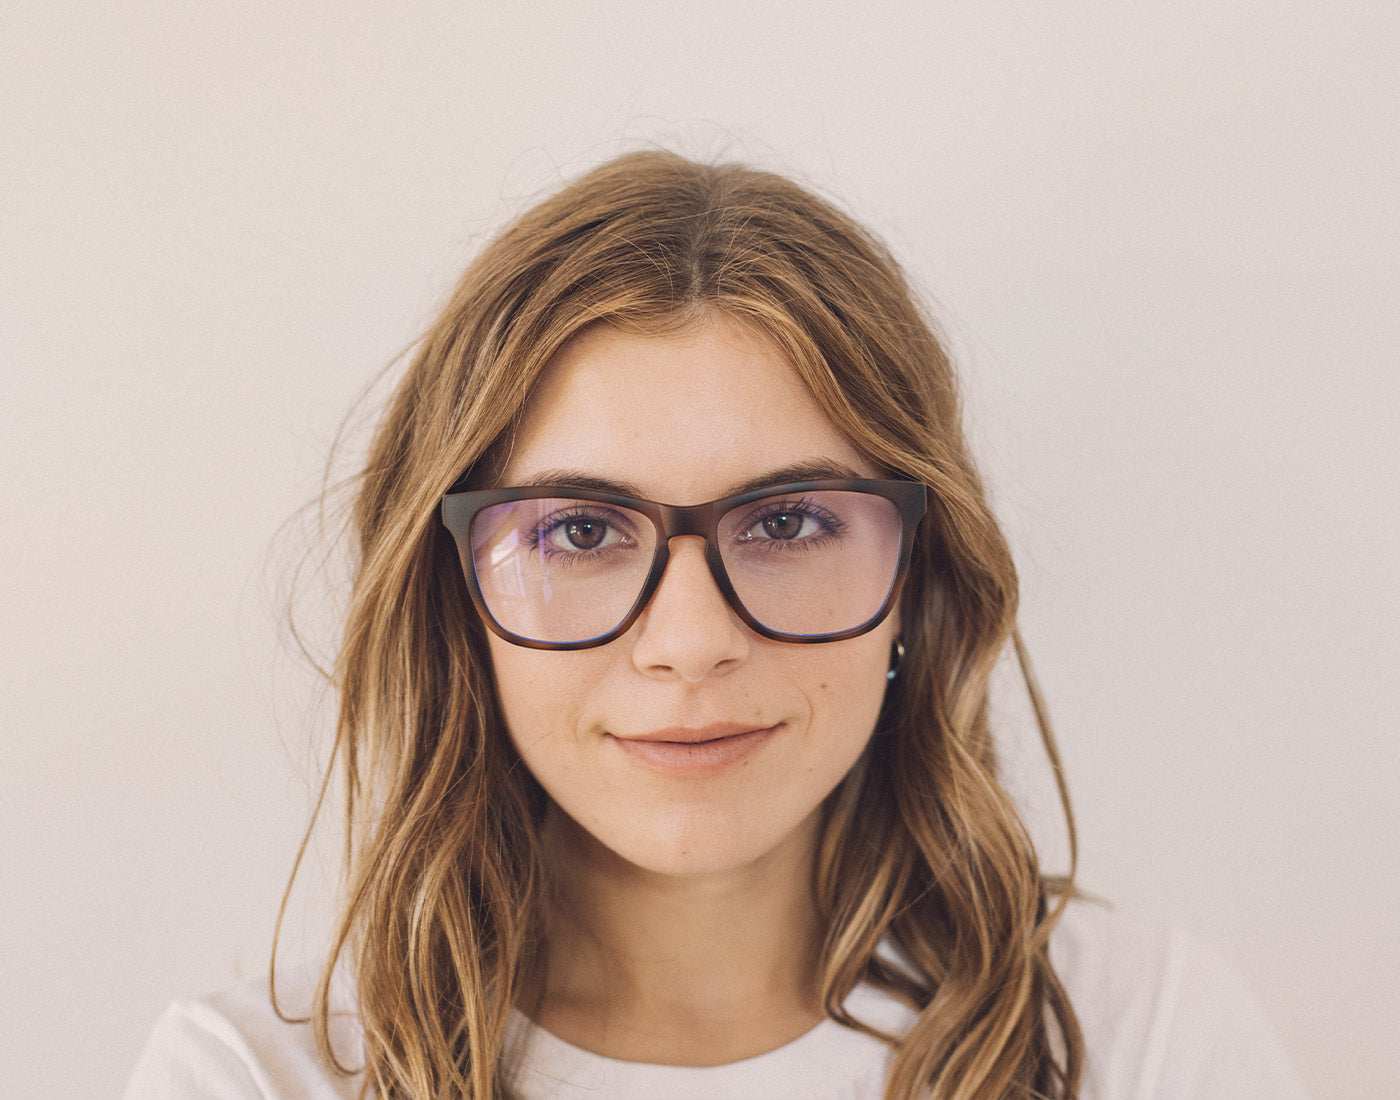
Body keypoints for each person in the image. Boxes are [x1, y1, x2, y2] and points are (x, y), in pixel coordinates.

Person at [126, 151, 1308, 1099]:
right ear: (453, 600)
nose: (688, 642)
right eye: (579, 532)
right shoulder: (255, 1077)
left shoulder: (1137, 1039)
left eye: (786, 520)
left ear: (917, 572)